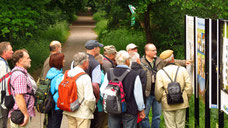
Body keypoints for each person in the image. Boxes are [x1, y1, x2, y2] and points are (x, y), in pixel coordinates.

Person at [140, 43, 188, 128]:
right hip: (147, 93)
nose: (156, 52)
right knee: (145, 116)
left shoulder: (160, 60)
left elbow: (173, 60)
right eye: (153, 50)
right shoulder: (141, 62)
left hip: (159, 92)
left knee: (157, 116)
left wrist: (184, 62)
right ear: (147, 52)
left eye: (155, 50)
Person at [100, 50, 145, 128]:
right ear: (127, 61)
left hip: (113, 107)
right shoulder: (134, 74)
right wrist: (141, 109)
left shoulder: (109, 73)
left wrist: (110, 100)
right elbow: (138, 95)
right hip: (130, 109)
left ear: (116, 61)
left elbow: (102, 91)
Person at [155, 50, 192, 128]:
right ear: (173, 58)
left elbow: (158, 90)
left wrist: (160, 100)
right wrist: (186, 97)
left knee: (169, 125)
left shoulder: (160, 73)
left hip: (167, 102)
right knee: (181, 124)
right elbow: (188, 86)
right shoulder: (182, 70)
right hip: (182, 101)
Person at [63, 52, 96, 128]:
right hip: (82, 113)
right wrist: (92, 108)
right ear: (84, 63)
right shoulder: (85, 77)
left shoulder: (66, 74)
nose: (88, 63)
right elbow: (89, 98)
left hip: (69, 110)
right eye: (88, 61)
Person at [9, 49, 37, 127]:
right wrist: (25, 114)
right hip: (20, 114)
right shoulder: (20, 75)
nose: (30, 60)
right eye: (28, 58)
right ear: (20, 61)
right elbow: (19, 96)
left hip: (21, 112)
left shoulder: (22, 73)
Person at [46, 53, 65, 128]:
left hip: (49, 103)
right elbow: (60, 89)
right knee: (56, 124)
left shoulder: (50, 73)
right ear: (59, 62)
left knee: (50, 123)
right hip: (57, 105)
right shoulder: (59, 76)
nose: (64, 61)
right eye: (63, 60)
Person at [0, 41, 13, 128]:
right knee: (2, 122)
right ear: (4, 52)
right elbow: (3, 84)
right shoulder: (2, 65)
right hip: (2, 100)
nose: (12, 52)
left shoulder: (3, 62)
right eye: (10, 50)